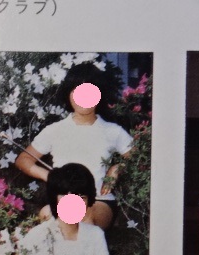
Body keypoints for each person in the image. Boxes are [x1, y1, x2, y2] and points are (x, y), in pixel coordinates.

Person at [15, 63, 133, 230]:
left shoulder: (113, 131)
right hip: (64, 199)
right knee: (46, 213)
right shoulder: (55, 130)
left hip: (98, 201)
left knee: (83, 218)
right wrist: (50, 176)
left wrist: (118, 168)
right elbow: (23, 159)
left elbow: (138, 159)